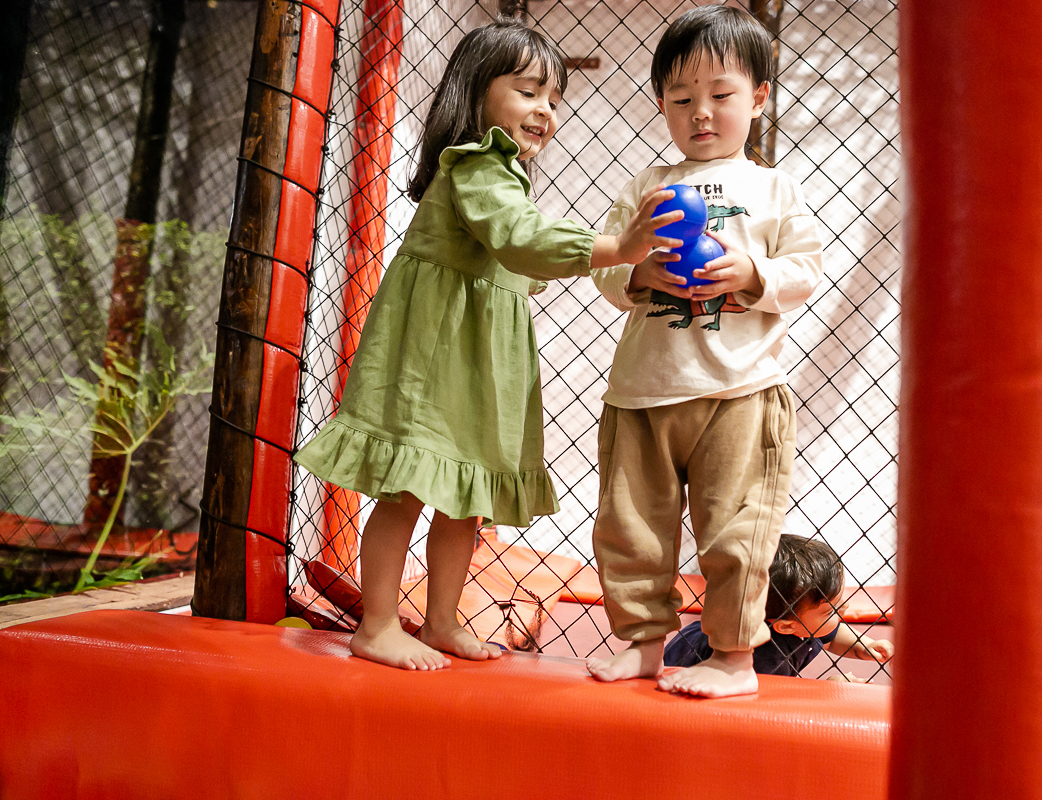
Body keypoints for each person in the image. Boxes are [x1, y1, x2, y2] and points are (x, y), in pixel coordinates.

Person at [294, 19, 685, 671]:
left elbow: (516, 263)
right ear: (476, 93)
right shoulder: (476, 164)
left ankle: (442, 619)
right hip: (433, 357)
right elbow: (519, 238)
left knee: (465, 496)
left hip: (477, 363)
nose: (545, 111)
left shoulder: (505, 175)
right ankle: (378, 624)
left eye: (554, 100)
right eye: (530, 91)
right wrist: (618, 247)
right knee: (406, 489)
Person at [585, 5, 825, 698]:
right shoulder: (647, 185)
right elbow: (606, 262)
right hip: (644, 390)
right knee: (633, 528)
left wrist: (754, 276)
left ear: (757, 98)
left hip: (741, 392)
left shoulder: (775, 188)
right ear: (661, 104)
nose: (701, 114)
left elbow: (807, 268)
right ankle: (641, 644)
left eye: (721, 96)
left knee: (738, 531)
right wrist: (638, 271)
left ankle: (732, 659)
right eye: (681, 100)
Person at [663, 535, 894, 682]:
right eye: (830, 611)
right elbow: (773, 703)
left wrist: (866, 646)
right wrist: (830, 687)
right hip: (682, 674)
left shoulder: (802, 622)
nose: (845, 608)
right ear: (785, 627)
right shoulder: (765, 656)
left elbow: (831, 637)